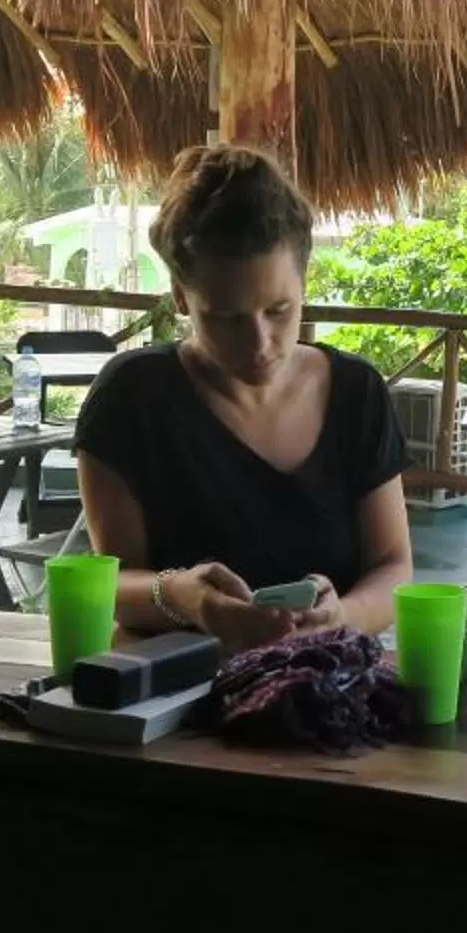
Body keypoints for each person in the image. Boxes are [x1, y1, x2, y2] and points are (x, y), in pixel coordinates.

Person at [75, 145, 413, 654]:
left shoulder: (356, 394)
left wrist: (343, 616)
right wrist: (185, 599)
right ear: (182, 297)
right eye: (226, 318)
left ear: (304, 282)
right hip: (172, 700)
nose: (259, 344)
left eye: (279, 310)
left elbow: (393, 566)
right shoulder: (132, 398)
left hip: (326, 690)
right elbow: (112, 586)